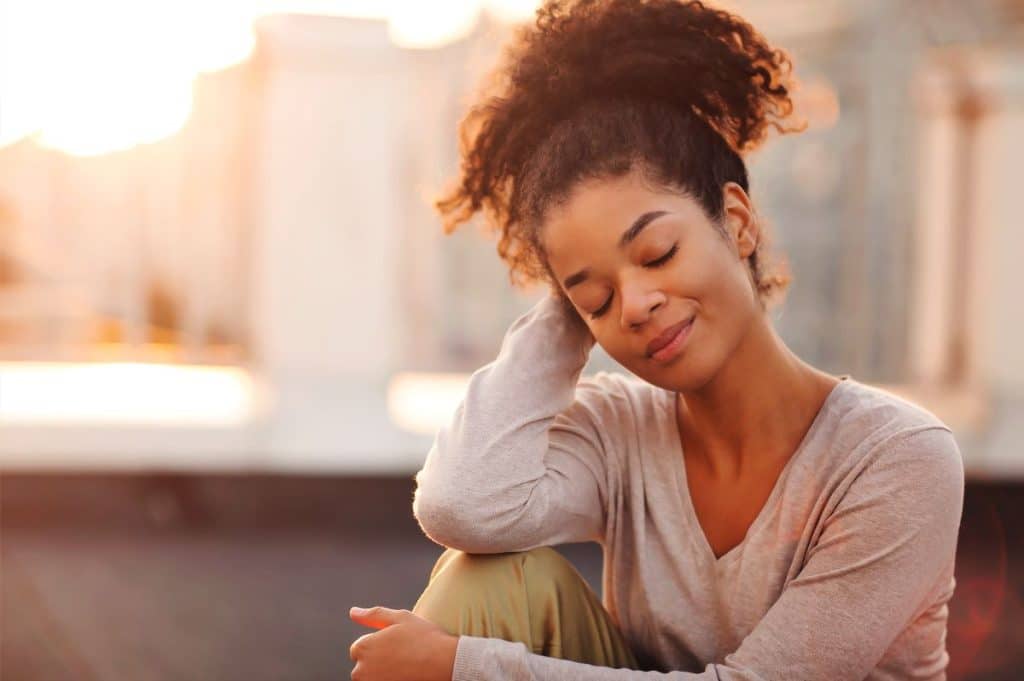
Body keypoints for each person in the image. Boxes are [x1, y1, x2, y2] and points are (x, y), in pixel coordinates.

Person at [347, 1, 965, 679]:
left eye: (658, 252)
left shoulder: (898, 458)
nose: (636, 306)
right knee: (487, 582)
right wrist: (569, 304)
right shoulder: (623, 430)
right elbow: (461, 505)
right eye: (597, 299)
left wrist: (466, 667)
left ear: (736, 220)